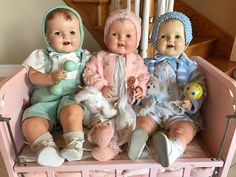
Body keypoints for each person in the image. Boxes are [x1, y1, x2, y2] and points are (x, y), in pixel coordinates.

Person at [128, 11, 207, 167]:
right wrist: (138, 90)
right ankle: (137, 141)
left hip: (179, 110)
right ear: (155, 41)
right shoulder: (146, 63)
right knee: (143, 123)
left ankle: (173, 148)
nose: (171, 39)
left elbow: (199, 87)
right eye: (164, 36)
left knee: (184, 130)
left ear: (186, 41)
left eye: (177, 36)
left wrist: (191, 102)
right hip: (154, 107)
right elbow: (140, 80)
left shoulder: (191, 67)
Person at [21, 6, 91, 167]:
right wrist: (49, 78)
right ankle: (46, 148)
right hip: (45, 103)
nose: (66, 36)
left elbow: (92, 76)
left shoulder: (84, 57)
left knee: (73, 113)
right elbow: (32, 76)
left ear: (80, 33)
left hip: (70, 100)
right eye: (58, 33)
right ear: (47, 37)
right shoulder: (41, 56)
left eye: (73, 32)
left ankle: (74, 144)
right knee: (30, 123)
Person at [82, 9, 150, 161]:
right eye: (114, 34)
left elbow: (144, 76)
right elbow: (88, 73)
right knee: (101, 118)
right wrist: (100, 86)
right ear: (106, 37)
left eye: (128, 36)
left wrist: (139, 87)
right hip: (104, 101)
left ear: (137, 40)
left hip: (124, 101)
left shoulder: (137, 60)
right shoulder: (100, 56)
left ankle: (116, 146)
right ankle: (99, 135)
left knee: (127, 120)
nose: (121, 39)